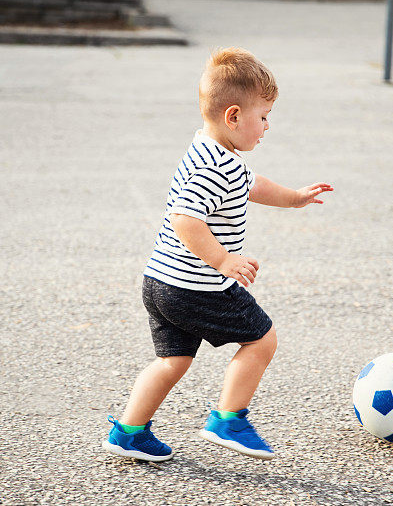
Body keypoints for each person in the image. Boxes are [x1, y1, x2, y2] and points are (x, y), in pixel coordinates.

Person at [102, 47, 333, 462]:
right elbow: (186, 218)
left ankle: (129, 431)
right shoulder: (218, 166)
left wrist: (295, 198)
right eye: (262, 117)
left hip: (160, 283)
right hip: (196, 286)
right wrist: (223, 261)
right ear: (233, 117)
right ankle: (229, 419)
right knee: (262, 340)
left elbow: (253, 184)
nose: (267, 126)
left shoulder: (208, 148)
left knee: (171, 362)